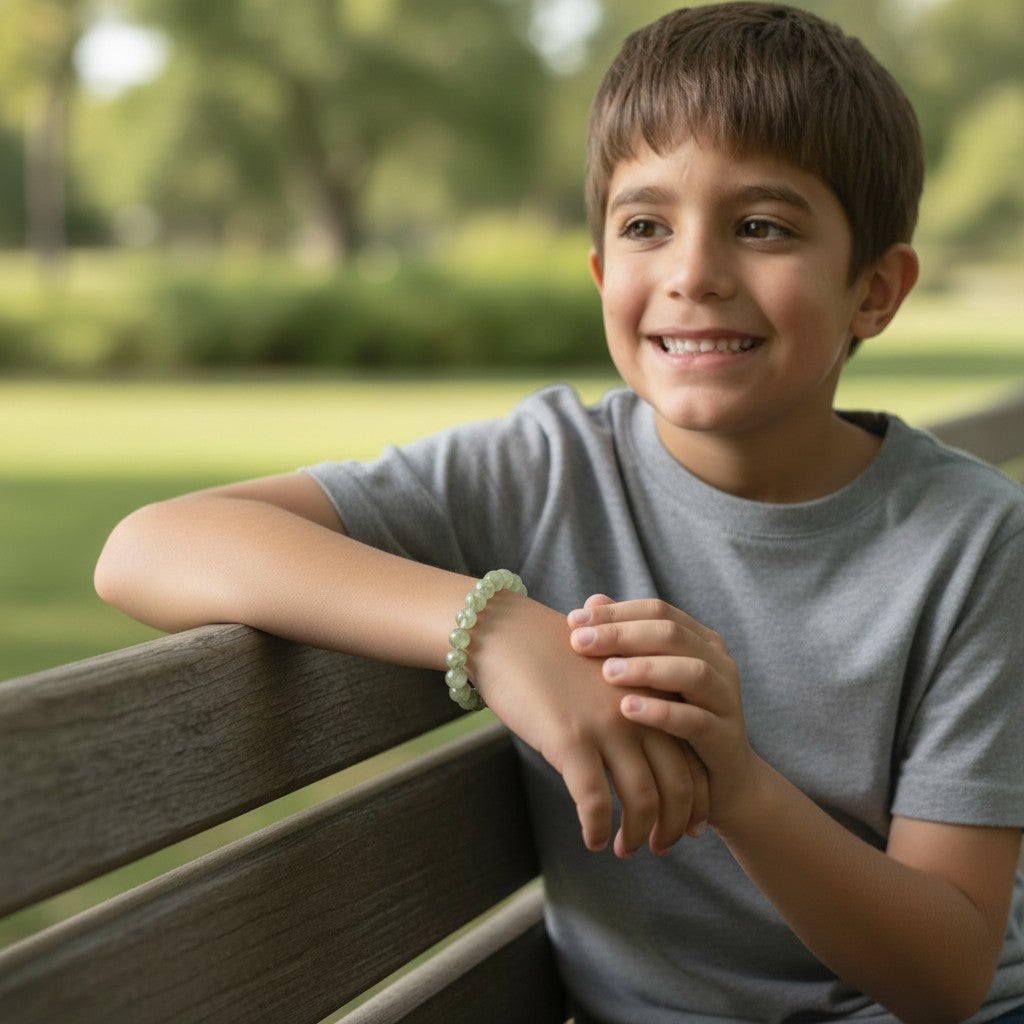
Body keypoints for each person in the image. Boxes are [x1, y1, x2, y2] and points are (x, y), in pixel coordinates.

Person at [95, 3, 1024, 1021]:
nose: (694, 273)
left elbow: (944, 976)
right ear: (599, 275)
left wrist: (739, 789)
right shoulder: (546, 470)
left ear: (875, 291)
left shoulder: (974, 542)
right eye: (645, 226)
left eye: (761, 226)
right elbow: (149, 547)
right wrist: (494, 631)